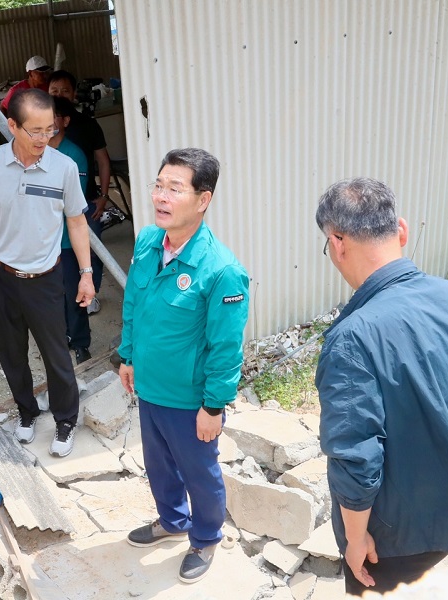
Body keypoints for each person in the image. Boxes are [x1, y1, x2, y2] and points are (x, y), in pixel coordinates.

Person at [314, 177, 448, 595]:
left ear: (337, 243)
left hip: (394, 538)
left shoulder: (352, 338)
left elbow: (356, 454)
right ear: (401, 230)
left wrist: (355, 538)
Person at [118, 148, 249, 584]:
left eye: (175, 188)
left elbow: (226, 348)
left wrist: (214, 406)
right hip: (149, 387)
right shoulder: (148, 241)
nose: (161, 196)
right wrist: (128, 356)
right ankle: (172, 520)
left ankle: (206, 536)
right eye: (159, 185)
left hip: (189, 399)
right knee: (157, 465)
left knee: (199, 471)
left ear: (202, 199)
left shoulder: (222, 270)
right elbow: (134, 301)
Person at [0, 89, 95, 458]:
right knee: (11, 353)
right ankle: (26, 412)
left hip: (45, 278)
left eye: (49, 130)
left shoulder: (64, 168)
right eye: (35, 131)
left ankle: (66, 420)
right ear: (13, 126)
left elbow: (76, 221)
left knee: (57, 355)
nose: (44, 139)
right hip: (2, 276)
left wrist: (86, 273)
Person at [48, 69, 112, 315]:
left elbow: (103, 160)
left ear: (74, 93)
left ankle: (91, 293)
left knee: (92, 252)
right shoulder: (43, 129)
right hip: (54, 206)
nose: (60, 94)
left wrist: (104, 196)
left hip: (85, 203)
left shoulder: (87, 125)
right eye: (54, 91)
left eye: (65, 90)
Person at [48, 96, 93, 365]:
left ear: (64, 121)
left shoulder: (73, 155)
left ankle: (80, 343)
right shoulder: (35, 152)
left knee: (73, 291)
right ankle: (59, 338)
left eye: (52, 116)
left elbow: (75, 205)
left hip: (66, 240)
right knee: (50, 295)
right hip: (43, 240)